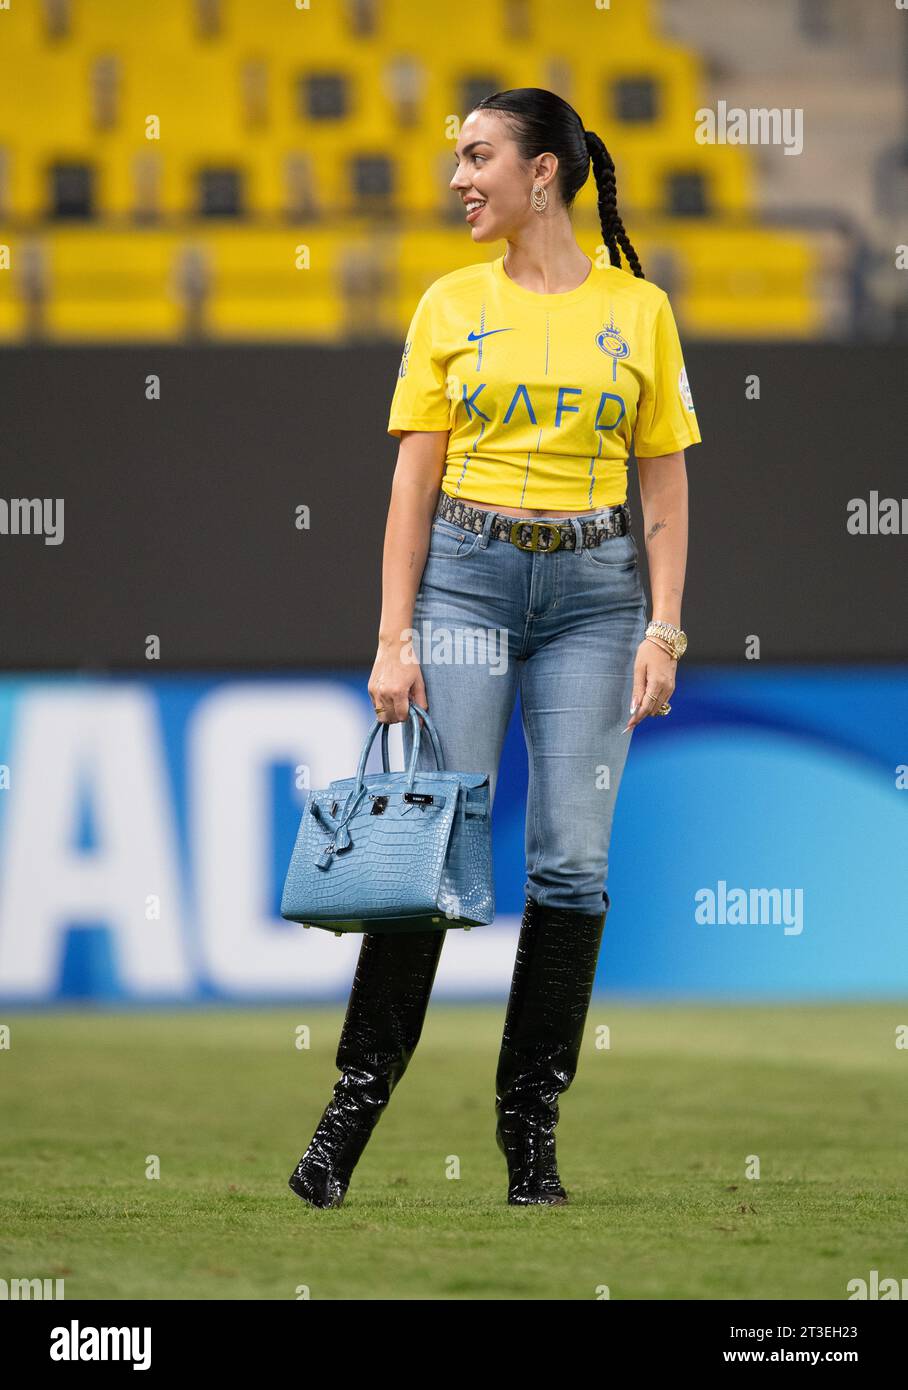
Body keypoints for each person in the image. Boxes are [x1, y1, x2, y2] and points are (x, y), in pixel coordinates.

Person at [289, 87, 701, 1209]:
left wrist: (663, 624)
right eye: (455, 159)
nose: (457, 178)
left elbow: (660, 483)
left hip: (595, 599)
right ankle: (346, 1120)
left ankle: (530, 1142)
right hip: (463, 584)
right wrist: (391, 637)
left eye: (477, 156)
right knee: (433, 854)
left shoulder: (640, 311)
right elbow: (409, 483)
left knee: (569, 865)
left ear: (543, 174)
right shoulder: (445, 304)